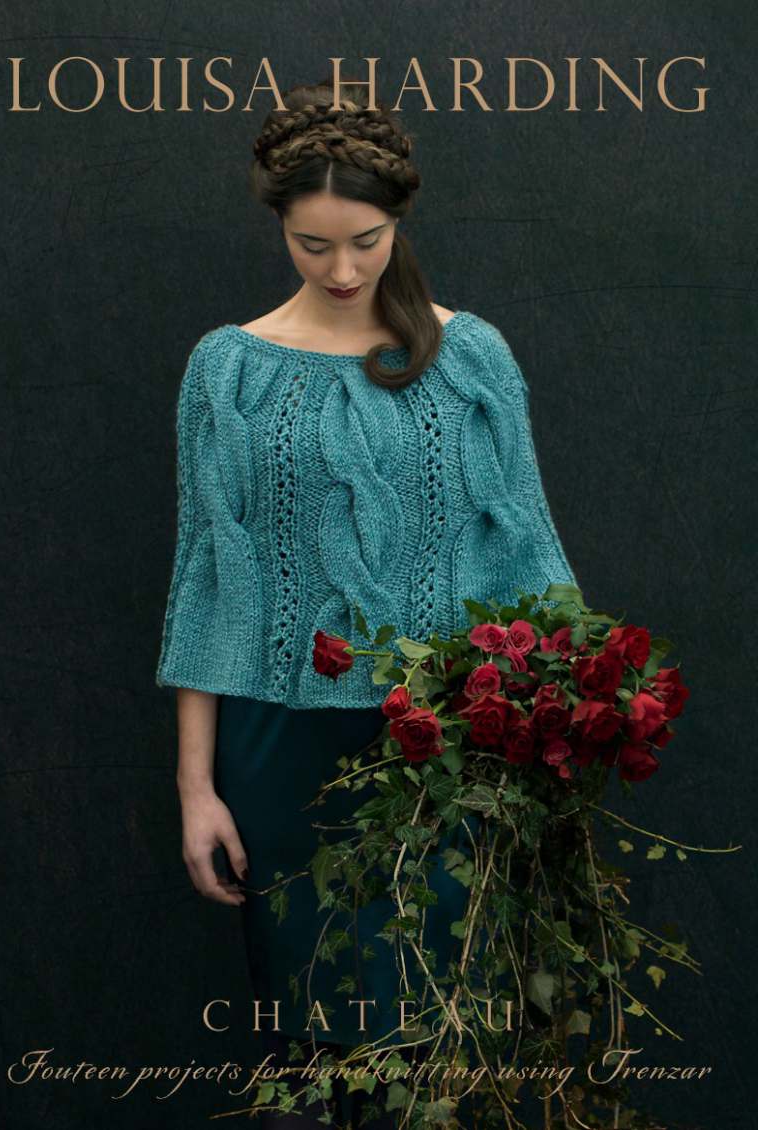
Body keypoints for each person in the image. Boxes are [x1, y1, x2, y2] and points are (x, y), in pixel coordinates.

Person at [155, 78, 578, 1129]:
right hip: (277, 748)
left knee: (439, 1036)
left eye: (366, 241)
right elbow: (206, 581)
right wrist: (196, 786)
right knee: (310, 1047)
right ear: (278, 226)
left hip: (443, 750)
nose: (342, 270)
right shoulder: (227, 371)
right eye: (313, 245)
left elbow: (528, 552)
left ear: (398, 221)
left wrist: (559, 714)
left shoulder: (469, 357)